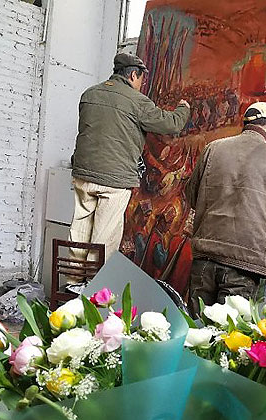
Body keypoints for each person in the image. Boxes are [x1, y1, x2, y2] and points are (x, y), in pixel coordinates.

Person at [68, 53, 190, 292]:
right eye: (141, 79)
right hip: (114, 180)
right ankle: (94, 288)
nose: (141, 85)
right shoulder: (136, 101)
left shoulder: (89, 94)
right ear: (133, 74)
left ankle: (73, 283)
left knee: (80, 230)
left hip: (83, 174)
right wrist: (183, 109)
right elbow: (170, 124)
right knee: (104, 236)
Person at [185, 102, 266, 314]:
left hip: (205, 260)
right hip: (247, 267)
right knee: (234, 332)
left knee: (196, 328)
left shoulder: (213, 149)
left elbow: (192, 196)